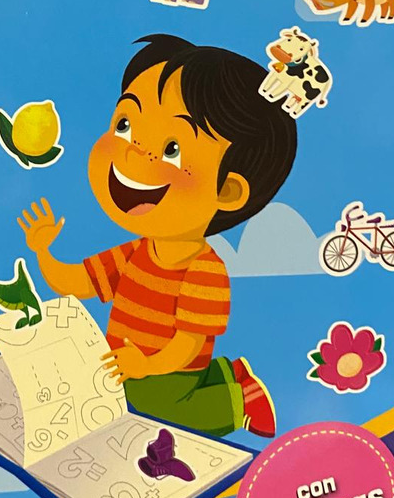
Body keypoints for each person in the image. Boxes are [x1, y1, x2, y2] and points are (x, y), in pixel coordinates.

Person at [18, 33, 297, 439]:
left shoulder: (204, 272)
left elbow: (187, 344)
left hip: (168, 374)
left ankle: (236, 401)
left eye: (171, 150)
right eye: (125, 125)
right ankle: (225, 373)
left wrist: (147, 365)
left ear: (227, 191)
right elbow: (77, 281)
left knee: (153, 410)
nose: (133, 152)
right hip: (128, 365)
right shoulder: (137, 252)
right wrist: (44, 251)